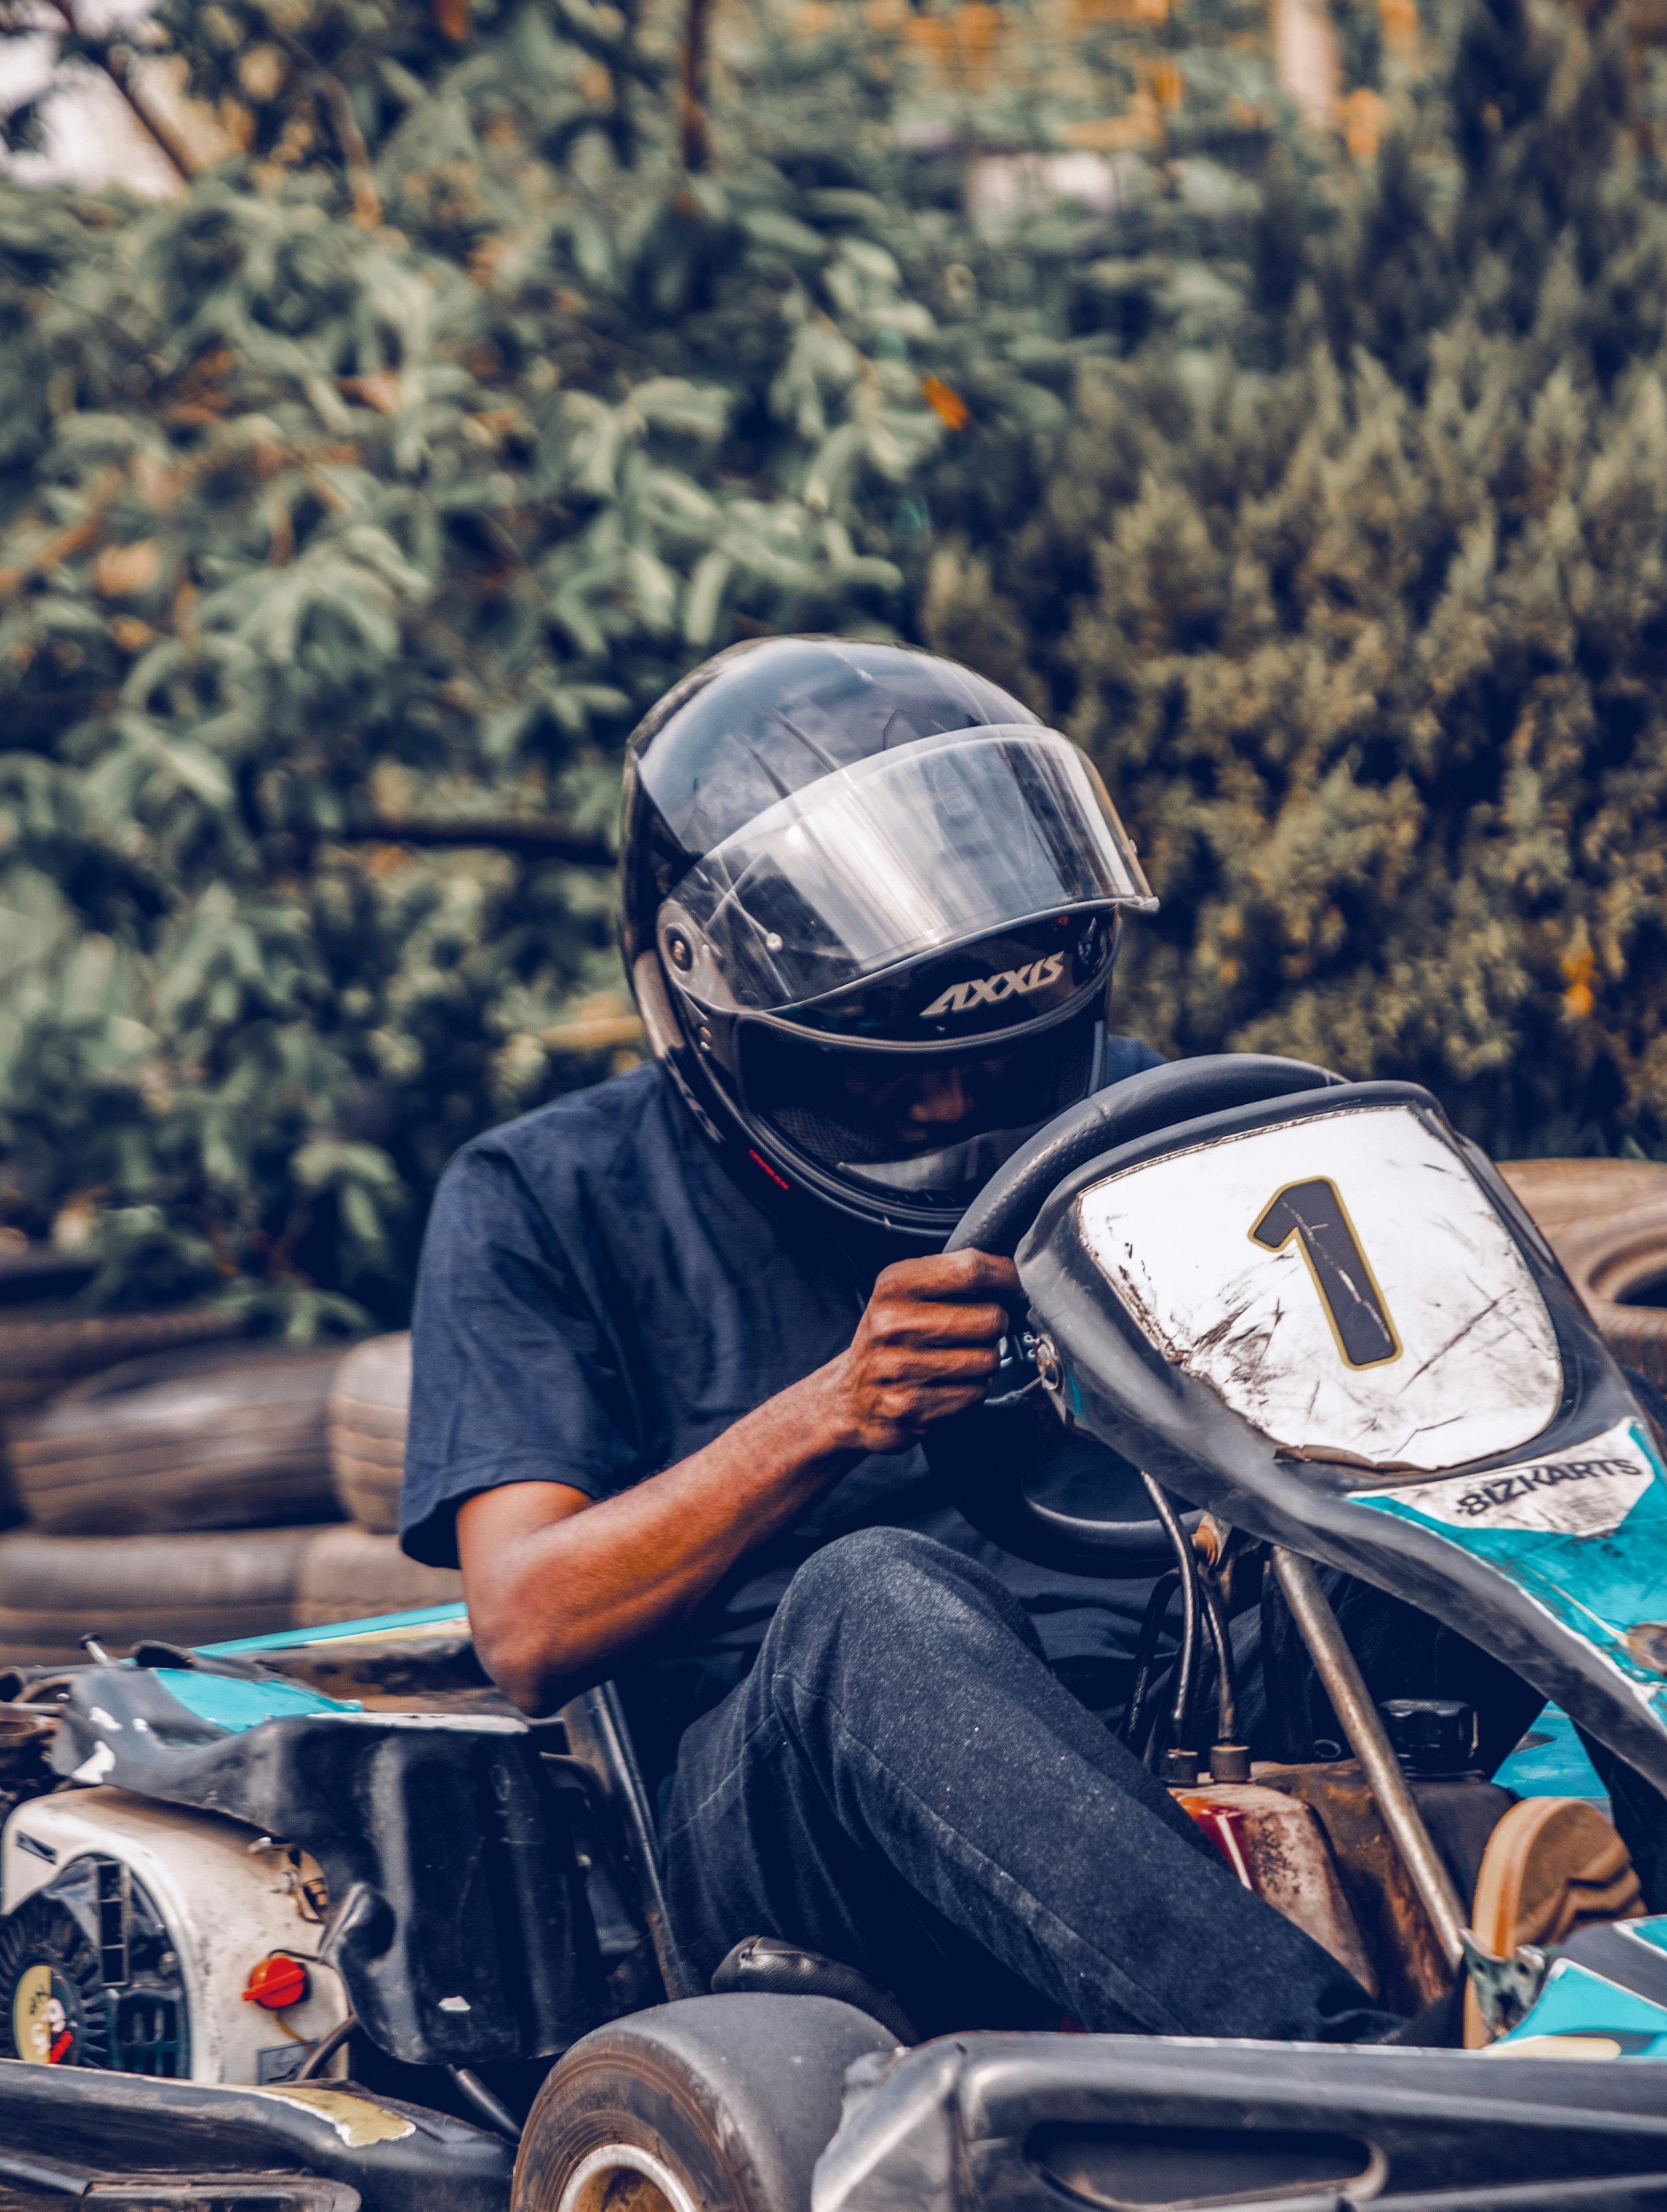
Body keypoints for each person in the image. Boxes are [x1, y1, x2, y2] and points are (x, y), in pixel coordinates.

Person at [399, 639, 1604, 2046]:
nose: (952, 1107)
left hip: (1176, 1692)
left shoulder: (1139, 1120)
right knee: (876, 1599)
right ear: (718, 1018)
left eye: (998, 1053)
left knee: (1577, 1455)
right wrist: (834, 1412)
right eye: (885, 1071)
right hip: (791, 1820)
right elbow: (529, 1625)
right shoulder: (541, 1198)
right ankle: (1344, 2067)